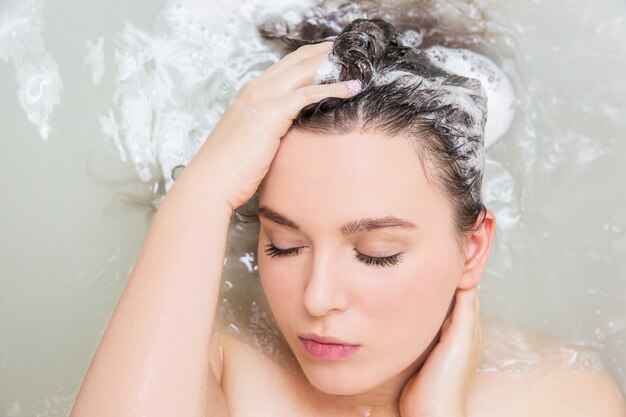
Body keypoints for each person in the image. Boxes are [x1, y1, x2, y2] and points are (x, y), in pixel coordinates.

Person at [71, 18, 626, 417]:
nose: (317, 298)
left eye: (375, 254)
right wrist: (206, 185)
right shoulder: (209, 370)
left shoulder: (561, 397)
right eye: (283, 244)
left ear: (473, 249)